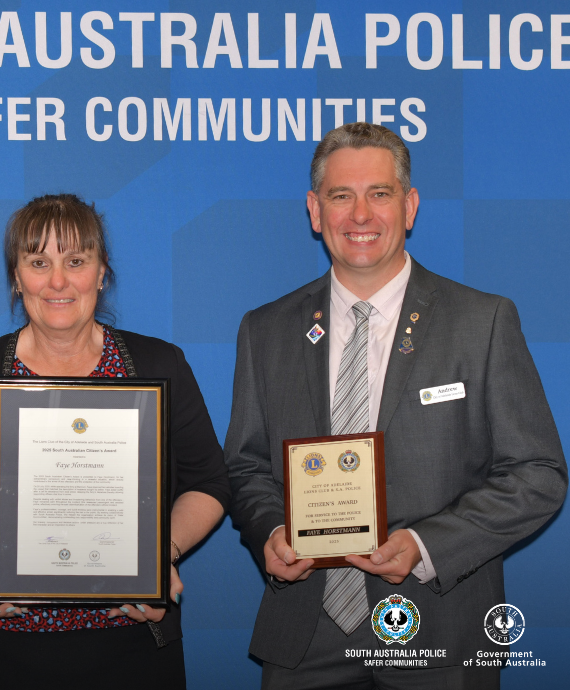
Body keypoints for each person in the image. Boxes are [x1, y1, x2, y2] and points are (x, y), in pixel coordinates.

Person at [223, 122, 567, 689]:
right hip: (306, 634)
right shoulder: (266, 330)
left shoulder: (481, 322)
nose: (361, 215)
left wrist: (426, 546)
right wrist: (271, 530)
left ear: (408, 206)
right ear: (315, 210)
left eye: (379, 194)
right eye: (341, 196)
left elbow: (539, 474)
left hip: (439, 630)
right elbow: (245, 465)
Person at [0, 194, 230, 689]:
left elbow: (208, 482)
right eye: (39, 263)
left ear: (101, 273)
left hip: (133, 646)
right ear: (17, 278)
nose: (58, 281)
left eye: (76, 261)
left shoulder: (159, 365)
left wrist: (159, 552)